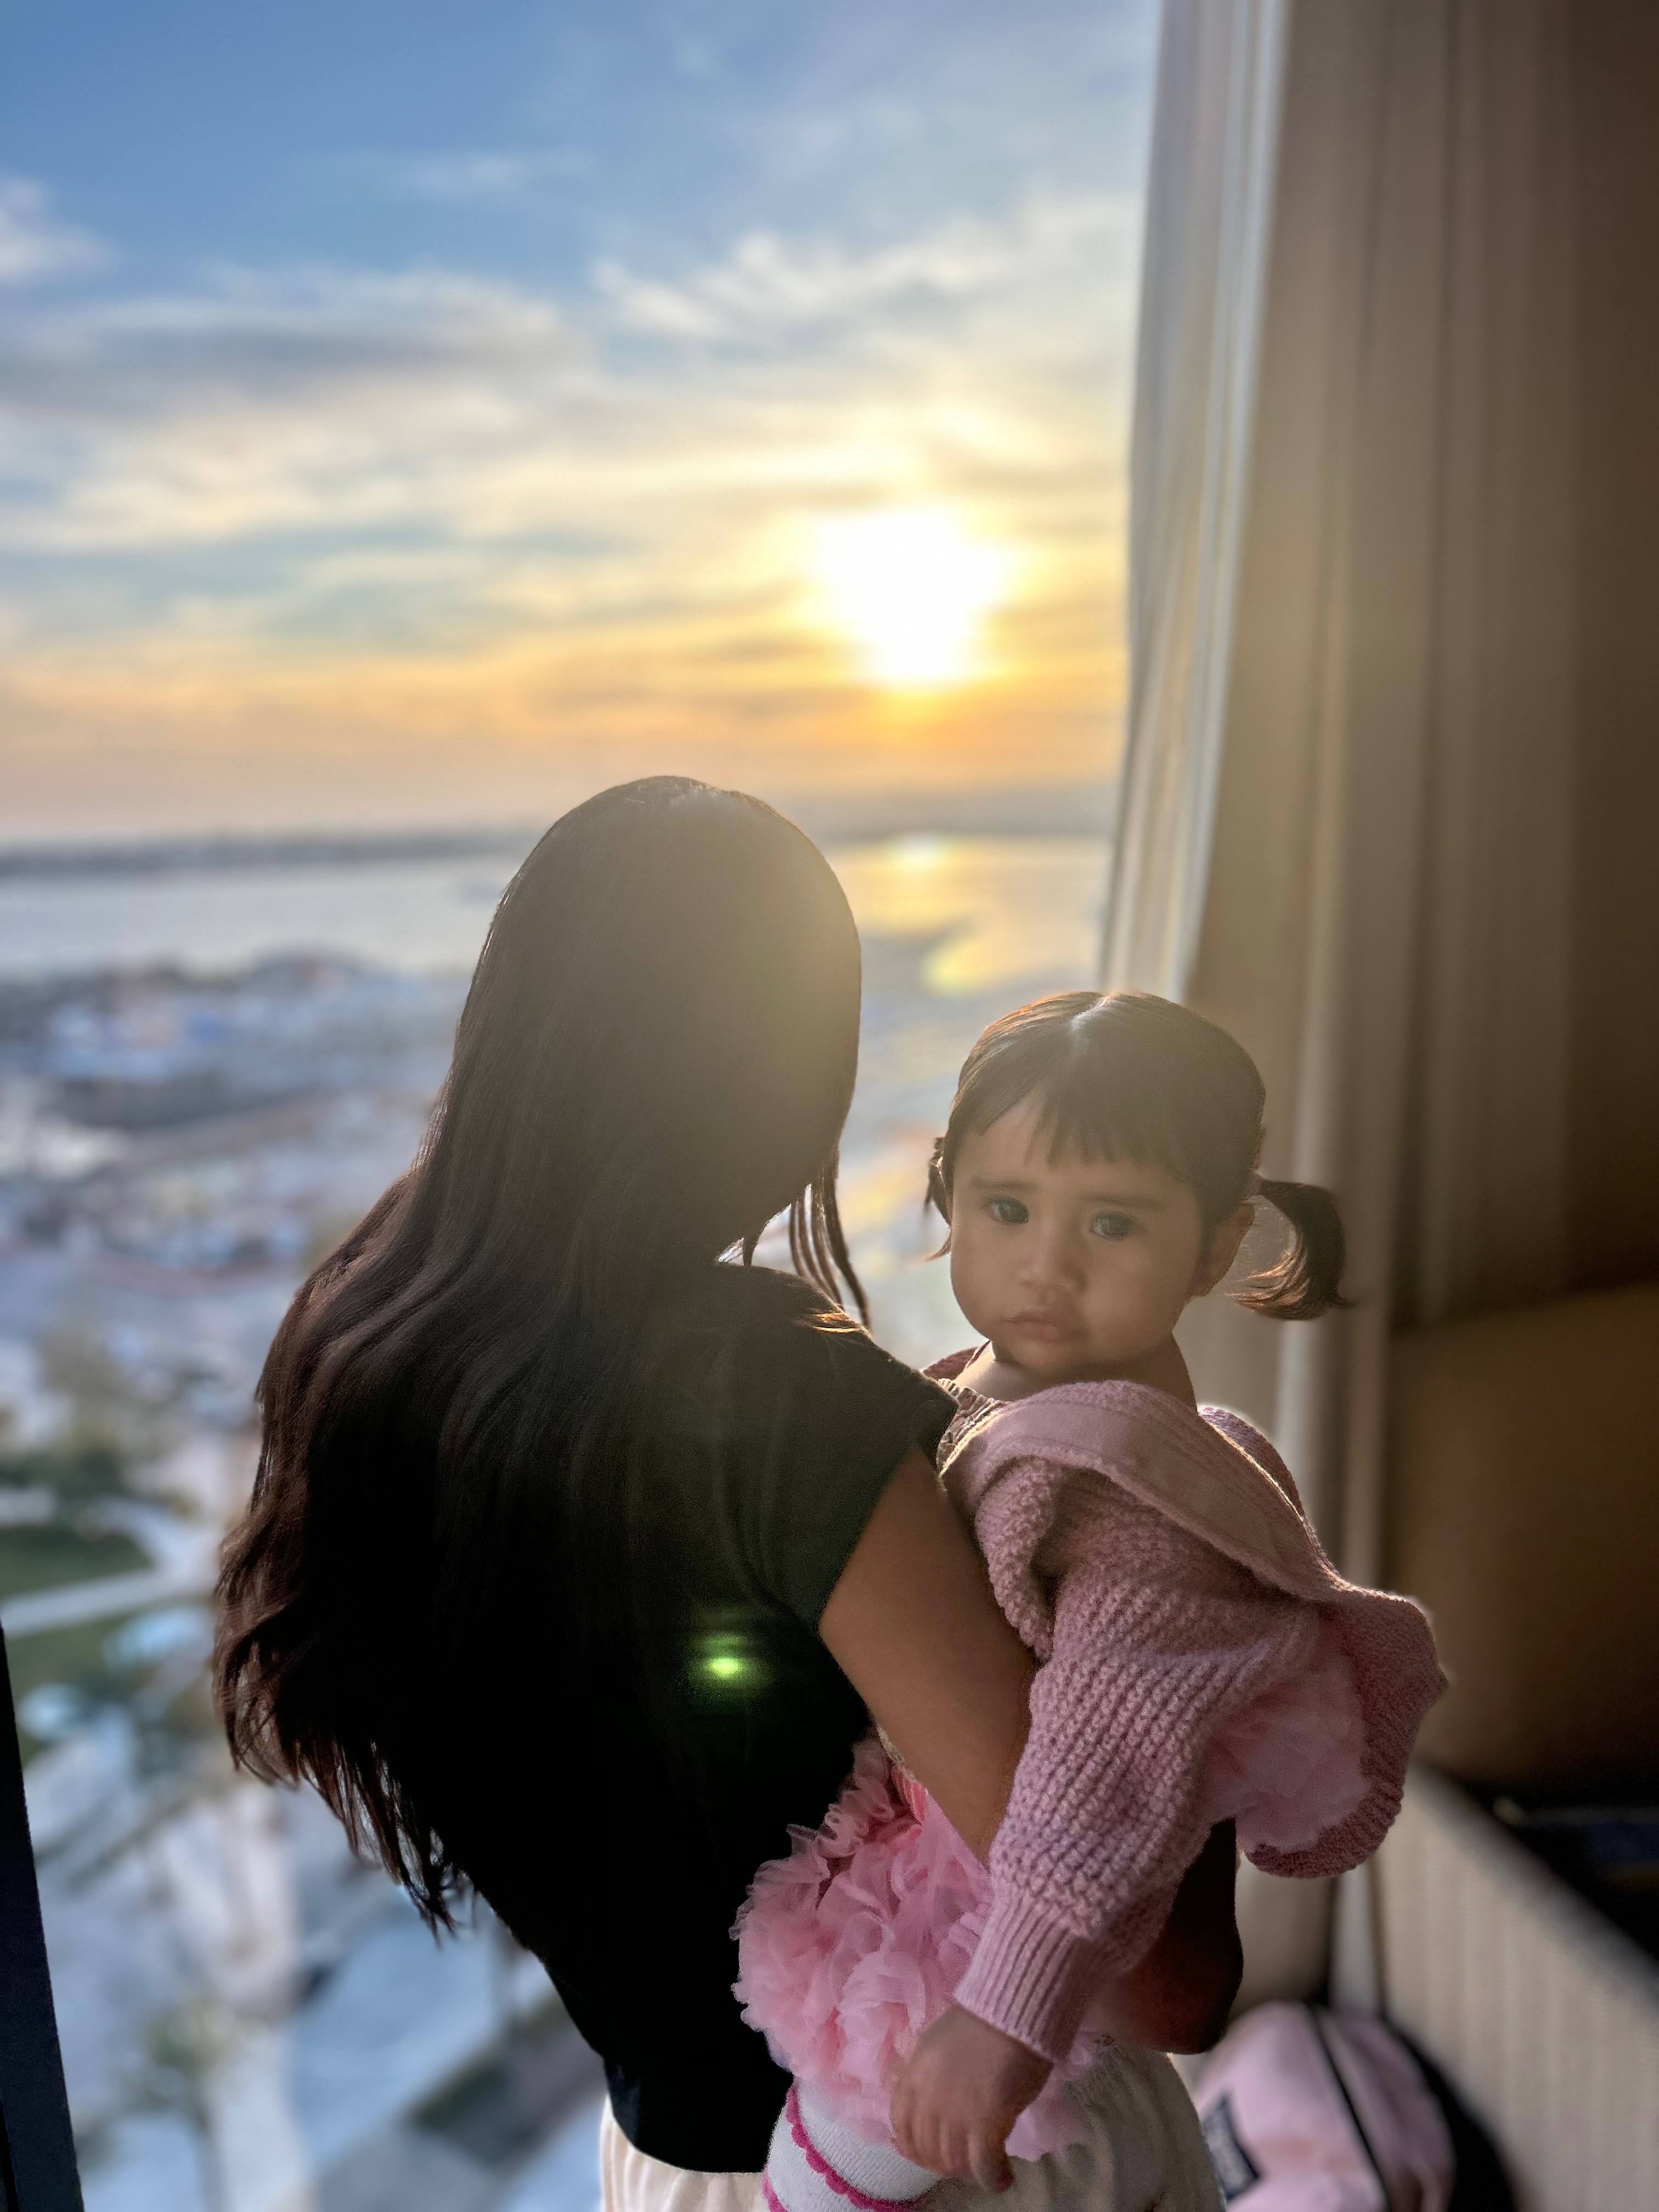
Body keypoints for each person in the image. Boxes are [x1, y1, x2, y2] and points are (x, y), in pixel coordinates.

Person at [212, 785, 1235, 2212]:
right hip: (965, 2160)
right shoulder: (774, 1403)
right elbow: (1159, 1983)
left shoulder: (367, 1345)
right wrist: (1190, 1614)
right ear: (788, 1073)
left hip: (668, 2168)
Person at [735, 991, 1446, 2212]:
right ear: (948, 1195)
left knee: (829, 2169)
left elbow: (1105, 1763)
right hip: (964, 1873)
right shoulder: (985, 1390)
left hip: (1024, 1944)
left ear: (1215, 1247)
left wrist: (1005, 2014)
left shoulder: (1129, 1493)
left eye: (1112, 1223)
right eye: (1008, 1209)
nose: (1046, 1265)